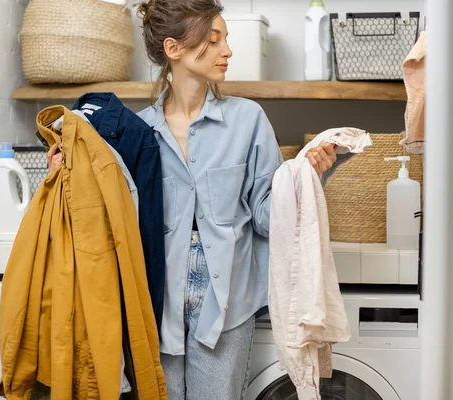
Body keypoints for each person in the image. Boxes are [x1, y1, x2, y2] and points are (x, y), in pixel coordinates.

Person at [48, 0, 338, 398]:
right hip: (156, 300)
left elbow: (267, 217)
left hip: (228, 304)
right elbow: (110, 216)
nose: (228, 51)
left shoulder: (248, 120)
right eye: (214, 40)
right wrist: (64, 170)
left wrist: (308, 176)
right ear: (174, 49)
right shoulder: (137, 132)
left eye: (227, 40)